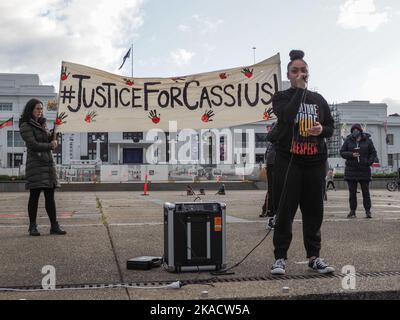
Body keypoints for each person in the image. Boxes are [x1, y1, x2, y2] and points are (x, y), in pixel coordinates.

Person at [269, 50, 335, 275]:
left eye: (303, 70)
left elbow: (330, 127)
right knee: (284, 211)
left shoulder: (319, 100)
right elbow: (287, 116)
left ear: (309, 73)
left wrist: (321, 130)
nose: (300, 73)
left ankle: (314, 257)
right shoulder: (281, 97)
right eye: (295, 71)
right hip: (289, 161)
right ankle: (280, 257)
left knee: (314, 211)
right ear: (289, 75)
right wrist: (299, 91)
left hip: (315, 162)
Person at [19, 98, 66, 236]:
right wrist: (50, 145)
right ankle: (32, 226)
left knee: (50, 197)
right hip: (36, 165)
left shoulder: (42, 123)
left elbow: (47, 139)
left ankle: (54, 226)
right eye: (37, 109)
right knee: (34, 196)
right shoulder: (25, 125)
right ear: (31, 110)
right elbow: (33, 145)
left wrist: (55, 132)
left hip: (48, 164)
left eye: (41, 109)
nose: (40, 111)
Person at [340, 123, 377, 219]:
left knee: (366, 192)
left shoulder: (368, 140)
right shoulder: (348, 140)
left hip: (364, 170)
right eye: (353, 130)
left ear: (360, 131)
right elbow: (342, 152)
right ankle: (352, 211)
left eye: (357, 130)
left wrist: (368, 162)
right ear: (352, 132)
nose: (355, 132)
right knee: (352, 193)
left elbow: (373, 153)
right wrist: (351, 154)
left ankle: (368, 211)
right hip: (351, 170)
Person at [260, 123, 276, 231]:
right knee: (272, 190)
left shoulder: (271, 142)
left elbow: (267, 154)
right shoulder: (273, 140)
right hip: (273, 164)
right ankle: (269, 212)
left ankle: (269, 212)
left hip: (273, 163)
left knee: (272, 190)